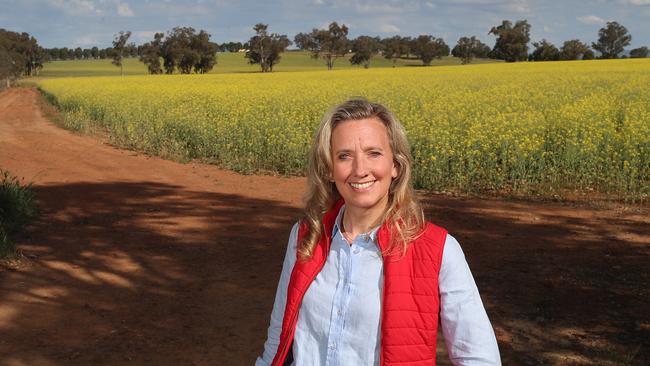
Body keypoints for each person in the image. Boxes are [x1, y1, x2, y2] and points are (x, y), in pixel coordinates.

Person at [256, 98, 500, 365]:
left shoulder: (439, 249)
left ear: (395, 165)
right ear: (328, 169)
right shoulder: (305, 236)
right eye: (344, 156)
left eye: (374, 153)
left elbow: (478, 357)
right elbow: (279, 335)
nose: (360, 170)